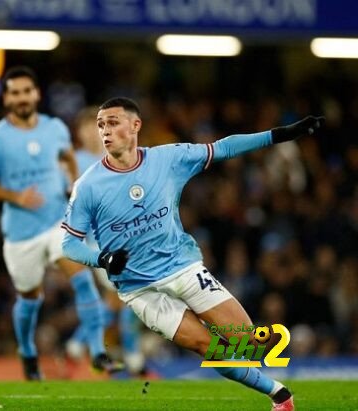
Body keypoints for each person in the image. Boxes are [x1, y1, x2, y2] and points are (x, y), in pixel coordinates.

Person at [62, 96, 324, 410]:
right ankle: (280, 395)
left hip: (184, 270)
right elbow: (69, 243)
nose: (105, 131)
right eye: (101, 124)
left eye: (113, 122)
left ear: (135, 126)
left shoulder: (169, 158)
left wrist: (279, 135)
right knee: (206, 346)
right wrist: (101, 259)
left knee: (247, 340)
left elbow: (224, 147)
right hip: (139, 289)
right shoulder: (88, 185)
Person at [0, 66, 120, 380]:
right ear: (6, 98)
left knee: (82, 278)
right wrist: (16, 196)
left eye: (27, 91)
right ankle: (26, 349)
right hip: (20, 234)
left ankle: (96, 351)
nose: (22, 97)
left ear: (36, 94)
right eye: (15, 92)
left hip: (57, 224)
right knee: (29, 297)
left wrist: (70, 182)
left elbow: (67, 157)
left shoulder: (54, 128)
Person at [65, 107, 145, 376]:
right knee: (130, 293)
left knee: (118, 299)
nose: (94, 132)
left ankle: (77, 343)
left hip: (125, 237)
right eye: (87, 127)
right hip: (95, 242)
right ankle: (132, 353)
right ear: (79, 132)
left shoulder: (117, 157)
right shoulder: (74, 161)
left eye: (98, 127)